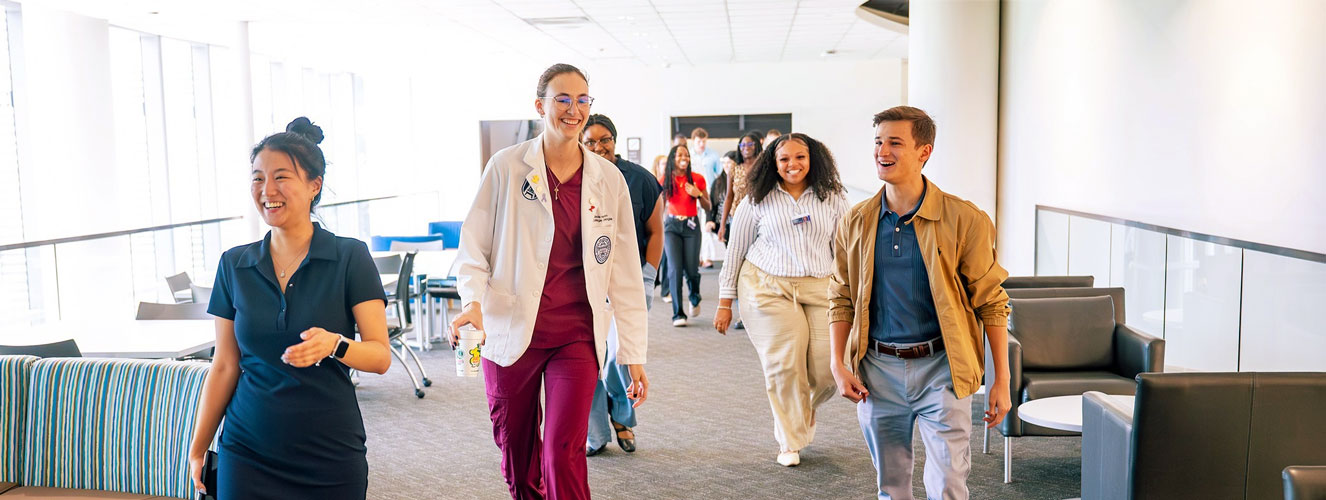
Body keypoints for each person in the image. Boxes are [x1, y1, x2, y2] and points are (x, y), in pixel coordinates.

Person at [449, 64, 650, 500]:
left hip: (575, 336)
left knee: (563, 454)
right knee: (519, 461)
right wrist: (472, 302)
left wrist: (632, 353)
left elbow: (625, 272)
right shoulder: (506, 167)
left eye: (582, 100)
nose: (573, 110)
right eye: (562, 99)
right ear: (540, 105)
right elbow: (473, 247)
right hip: (508, 332)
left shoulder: (607, 179)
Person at [188, 117, 393, 499]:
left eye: (281, 177)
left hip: (328, 453)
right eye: (257, 178)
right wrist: (198, 448)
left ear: (314, 186)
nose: (267, 190)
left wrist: (336, 344)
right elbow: (225, 365)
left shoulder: (350, 257)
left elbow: (380, 357)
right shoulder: (234, 265)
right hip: (246, 451)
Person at [827, 106, 1012, 500]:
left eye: (895, 142)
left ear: (924, 151)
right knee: (891, 487)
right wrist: (837, 363)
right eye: (878, 142)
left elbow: (992, 302)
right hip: (877, 370)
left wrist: (1002, 379)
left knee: (948, 484)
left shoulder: (964, 219)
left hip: (942, 370)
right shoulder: (855, 222)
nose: (883, 151)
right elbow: (841, 296)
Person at [713, 133, 849, 467]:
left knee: (827, 366)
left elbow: (846, 250)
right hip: (766, 285)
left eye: (799, 157)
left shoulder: (832, 197)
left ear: (812, 158)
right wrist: (724, 300)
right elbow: (736, 251)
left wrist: (856, 294)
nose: (793, 165)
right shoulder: (757, 199)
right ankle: (789, 439)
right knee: (784, 363)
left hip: (821, 286)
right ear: (773, 164)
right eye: (784, 159)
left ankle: (802, 407)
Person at [580, 113, 663, 456]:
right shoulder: (575, 178)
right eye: (591, 141)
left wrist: (646, 277)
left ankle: (623, 416)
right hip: (586, 286)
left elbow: (656, 232)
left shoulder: (639, 179)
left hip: (629, 282)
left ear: (615, 141)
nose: (599, 147)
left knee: (616, 355)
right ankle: (596, 433)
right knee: (587, 359)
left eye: (605, 140)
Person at [661, 143, 711, 326]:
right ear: (673, 158)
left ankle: (694, 295)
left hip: (691, 226)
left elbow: (708, 206)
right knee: (674, 269)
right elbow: (658, 207)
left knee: (691, 269)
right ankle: (678, 314)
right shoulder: (664, 179)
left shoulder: (697, 179)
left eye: (687, 155)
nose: (684, 158)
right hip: (671, 226)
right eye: (680, 155)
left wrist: (698, 194)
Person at [718, 131, 764, 243]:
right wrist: (722, 224)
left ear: (756, 145)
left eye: (750, 144)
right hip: (738, 217)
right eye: (742, 145)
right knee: (739, 250)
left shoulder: (763, 167)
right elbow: (729, 197)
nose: (746, 148)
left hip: (761, 216)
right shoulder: (734, 169)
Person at [690, 128, 722, 269]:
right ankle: (696, 257)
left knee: (706, 227)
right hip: (690, 196)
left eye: (704, 141)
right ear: (694, 141)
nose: (701, 144)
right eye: (699, 141)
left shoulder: (713, 156)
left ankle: (707, 257)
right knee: (693, 227)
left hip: (707, 195)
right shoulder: (688, 155)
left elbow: (720, 176)